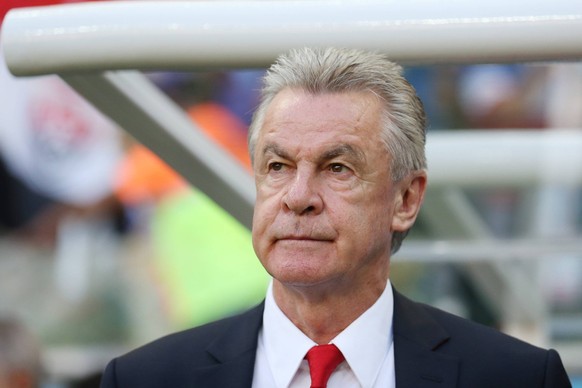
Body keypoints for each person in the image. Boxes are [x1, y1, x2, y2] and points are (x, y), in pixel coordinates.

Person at [100, 47, 572, 387]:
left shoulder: (517, 379)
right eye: (278, 166)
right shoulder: (145, 379)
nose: (298, 197)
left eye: (337, 168)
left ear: (405, 200)